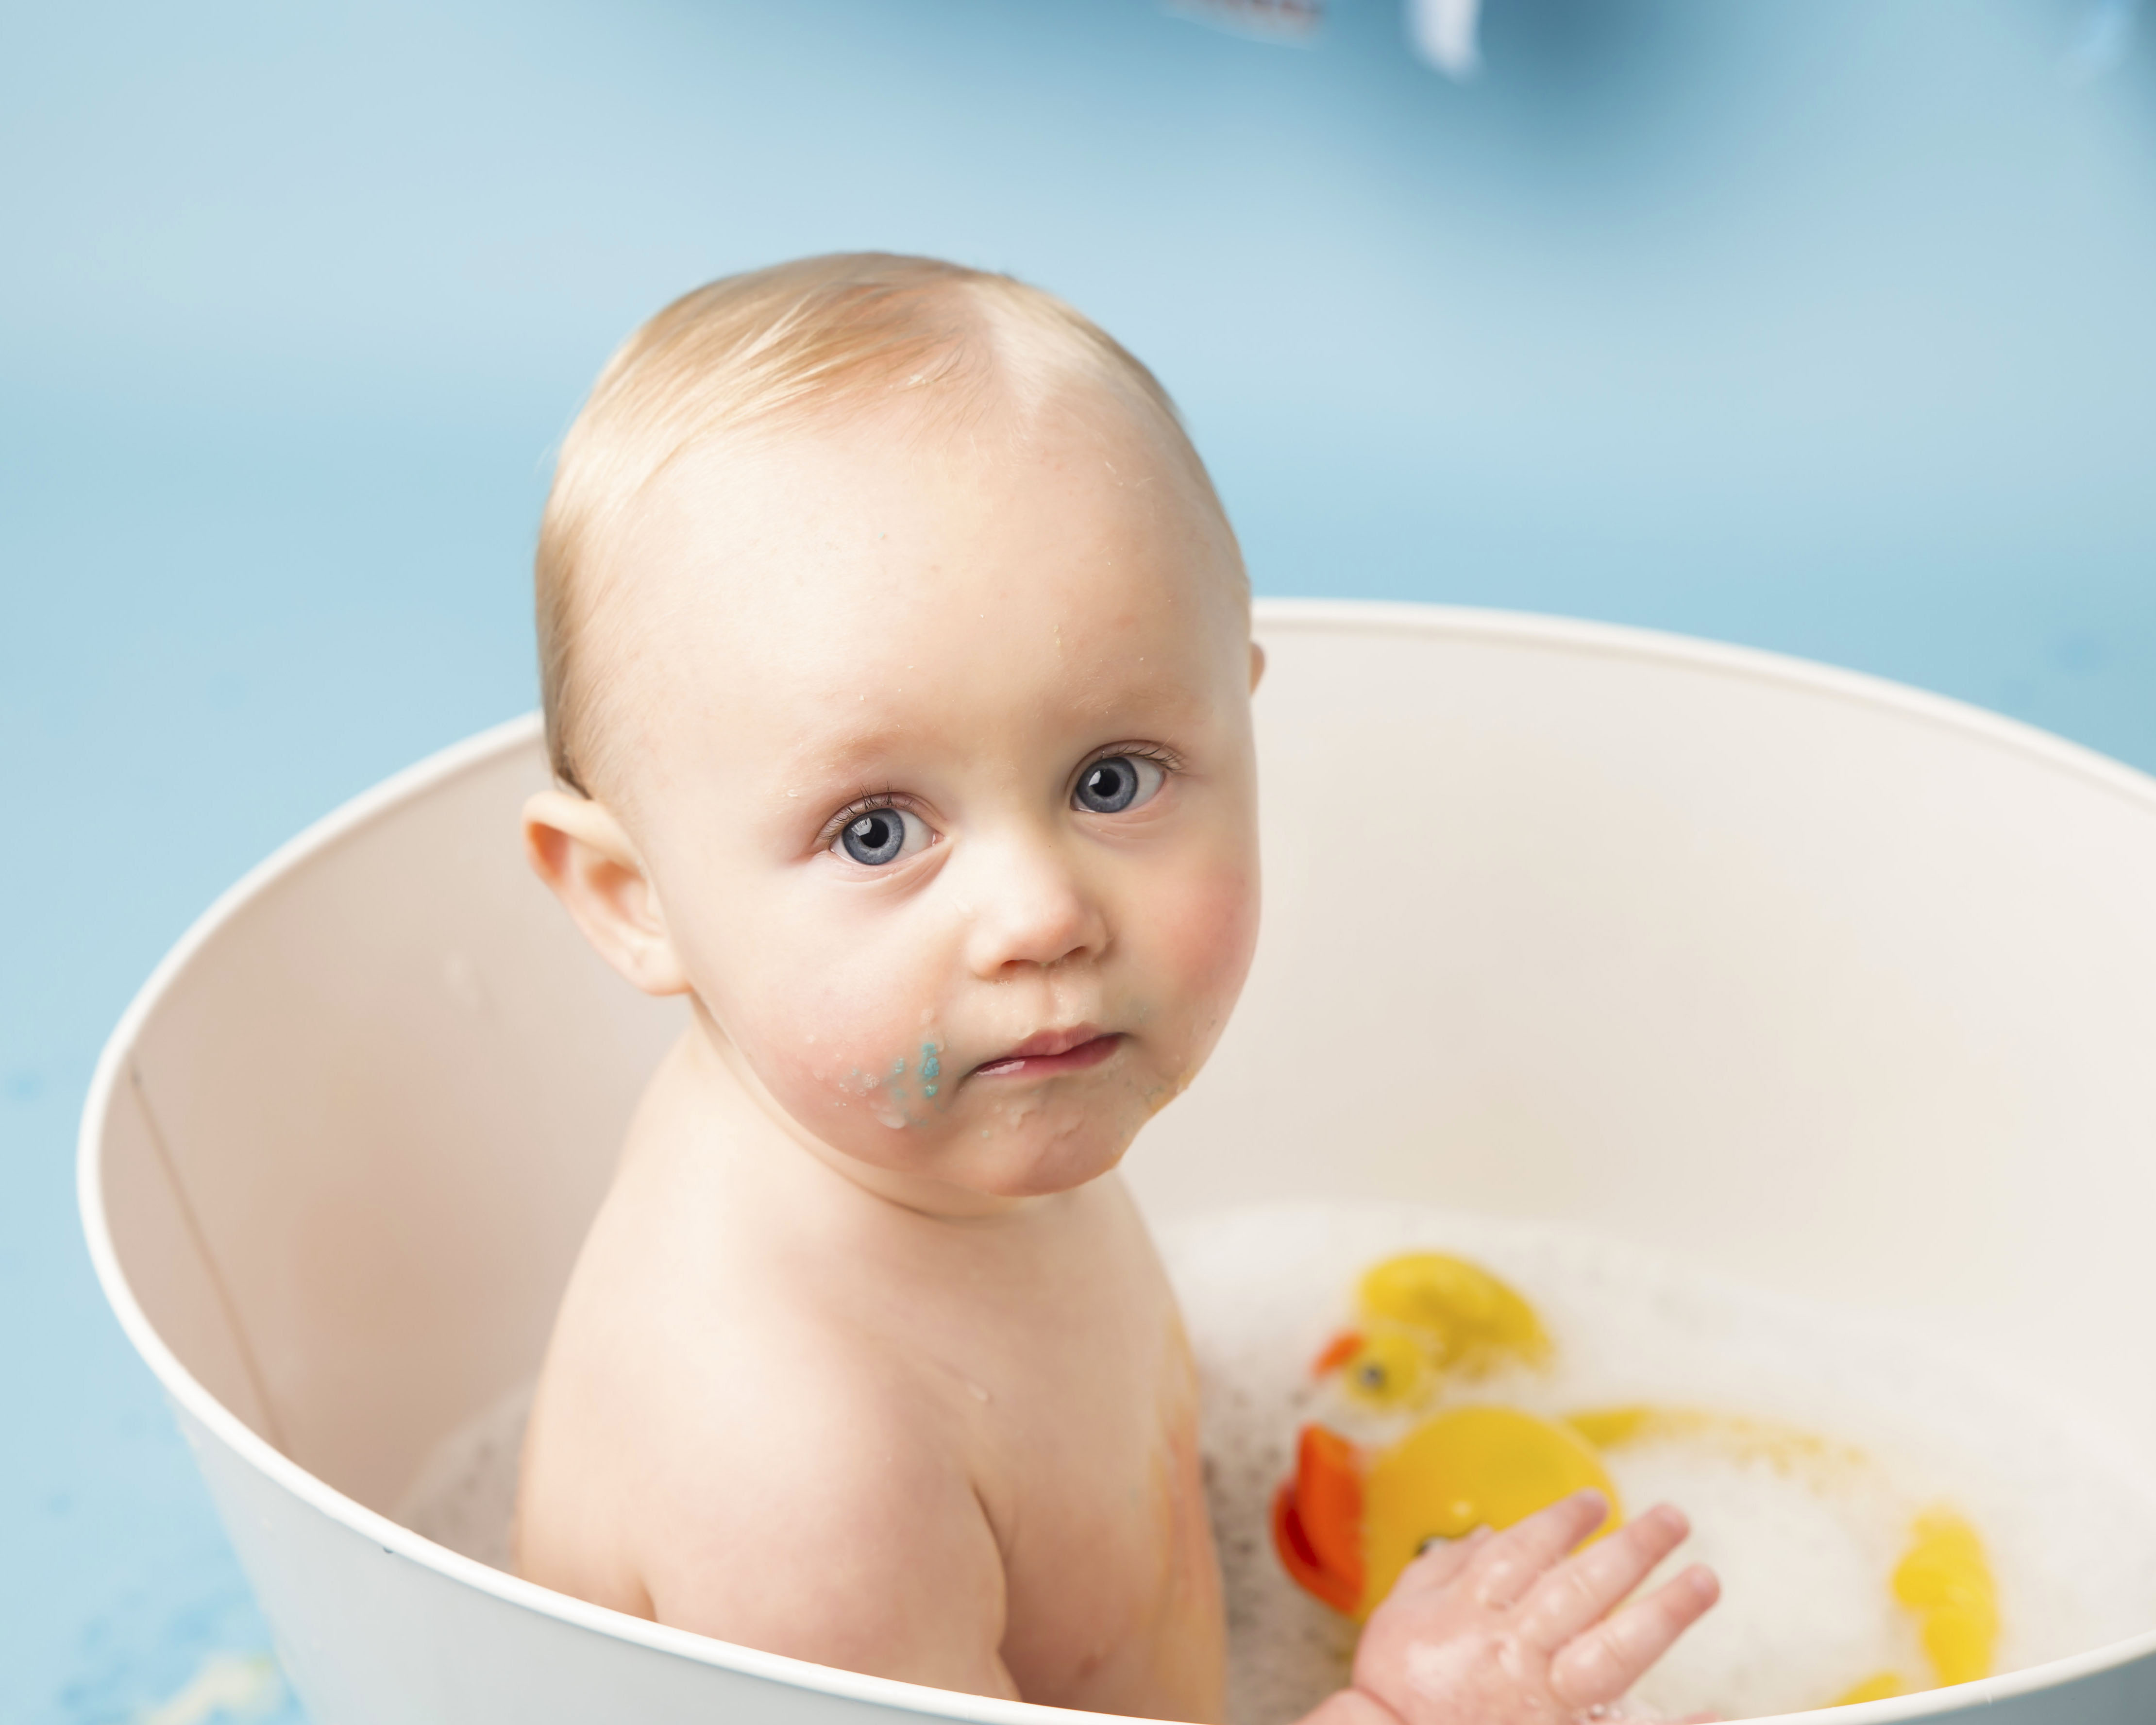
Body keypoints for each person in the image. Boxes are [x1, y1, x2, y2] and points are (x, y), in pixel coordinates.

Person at [513, 253, 1718, 1724]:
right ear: (639, 905)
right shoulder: (800, 1466)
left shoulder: (936, 1111)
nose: (1040, 914)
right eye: (878, 831)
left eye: (1112, 779)